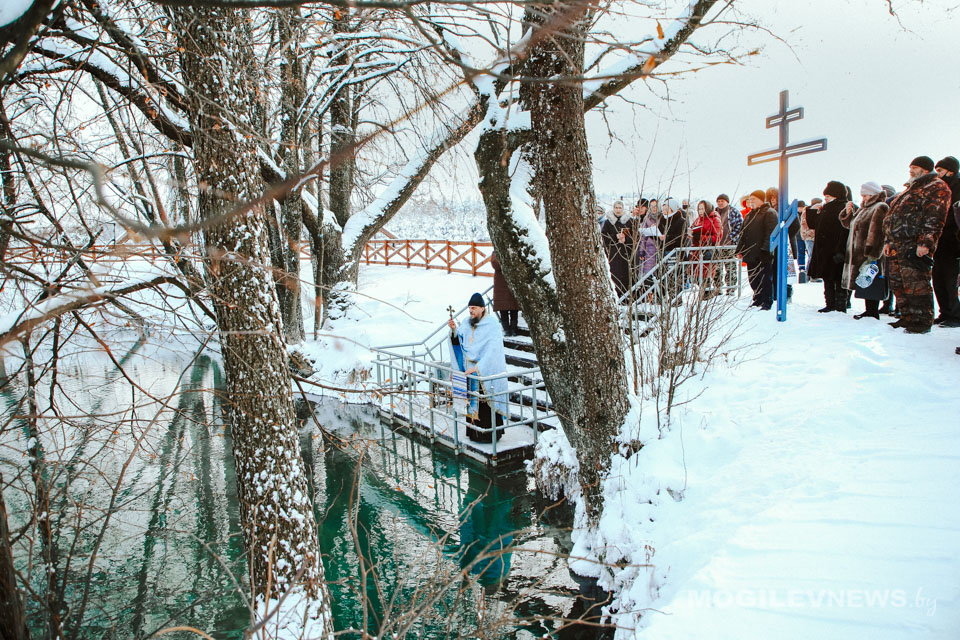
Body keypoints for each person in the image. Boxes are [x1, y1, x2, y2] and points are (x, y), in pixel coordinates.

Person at [882, 156, 952, 333]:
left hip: (915, 244)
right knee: (899, 283)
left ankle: (921, 321)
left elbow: (934, 217)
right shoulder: (910, 188)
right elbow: (893, 216)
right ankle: (907, 317)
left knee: (916, 283)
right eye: (910, 167)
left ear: (926, 170)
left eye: (915, 167)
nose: (911, 170)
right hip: (897, 244)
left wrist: (925, 242)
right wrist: (889, 240)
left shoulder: (936, 187)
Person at [448, 293, 509, 442]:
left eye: (474, 308)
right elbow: (460, 342)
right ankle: (474, 434)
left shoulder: (492, 324)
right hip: (470, 370)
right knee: (473, 402)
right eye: (469, 308)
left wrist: (479, 367)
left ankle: (490, 435)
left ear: (482, 308)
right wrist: (454, 331)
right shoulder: (466, 322)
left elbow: (493, 350)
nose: (471, 311)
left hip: (486, 370)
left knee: (487, 404)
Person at [839, 182, 889, 319]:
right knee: (864, 280)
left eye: (865, 195)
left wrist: (872, 254)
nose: (863, 198)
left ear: (873, 194)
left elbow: (877, 232)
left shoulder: (879, 207)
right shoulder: (864, 208)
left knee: (870, 279)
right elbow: (850, 225)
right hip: (859, 251)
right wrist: (848, 213)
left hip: (869, 252)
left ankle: (873, 311)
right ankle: (869, 310)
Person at [807, 181, 851, 313]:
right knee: (827, 278)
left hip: (836, 250)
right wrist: (813, 211)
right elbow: (813, 225)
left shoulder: (842, 207)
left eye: (828, 196)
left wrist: (841, 250)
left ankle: (840, 305)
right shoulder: (827, 208)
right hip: (824, 250)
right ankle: (830, 303)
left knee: (838, 279)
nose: (825, 198)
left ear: (836, 195)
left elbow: (845, 230)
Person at [735, 189, 777, 309]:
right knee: (753, 278)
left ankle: (767, 300)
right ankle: (757, 298)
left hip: (762, 253)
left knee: (765, 278)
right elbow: (743, 234)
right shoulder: (749, 215)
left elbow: (770, 233)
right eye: (750, 199)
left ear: (760, 200)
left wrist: (766, 250)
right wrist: (740, 250)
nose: (751, 202)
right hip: (750, 252)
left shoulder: (769, 213)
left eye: (753, 199)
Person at [932, 156, 960, 326]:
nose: (938, 174)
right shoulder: (940, 190)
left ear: (950, 171)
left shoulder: (957, 187)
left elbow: (953, 214)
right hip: (940, 242)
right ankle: (945, 311)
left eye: (940, 171)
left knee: (951, 281)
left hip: (954, 242)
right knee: (938, 278)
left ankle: (956, 315)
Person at [600, 201, 632, 297]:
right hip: (613, 254)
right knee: (615, 275)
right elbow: (604, 237)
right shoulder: (608, 222)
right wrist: (615, 237)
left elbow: (635, 237)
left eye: (620, 207)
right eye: (616, 207)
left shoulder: (629, 221)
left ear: (623, 208)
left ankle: (628, 297)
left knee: (627, 275)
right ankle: (617, 296)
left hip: (627, 253)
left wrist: (626, 239)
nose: (618, 210)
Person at [713, 193, 743, 294]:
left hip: (729, 244)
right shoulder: (714, 212)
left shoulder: (733, 212)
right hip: (716, 245)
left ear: (727, 202)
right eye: (719, 201)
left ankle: (731, 287)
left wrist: (731, 237)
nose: (720, 203)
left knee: (730, 267)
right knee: (716, 268)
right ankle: (717, 287)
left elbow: (740, 226)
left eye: (722, 201)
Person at [689, 200, 722, 285]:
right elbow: (691, 228)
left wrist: (700, 237)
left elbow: (717, 237)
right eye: (699, 209)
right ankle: (704, 293)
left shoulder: (715, 219)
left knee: (705, 276)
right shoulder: (698, 220)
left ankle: (709, 293)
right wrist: (691, 234)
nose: (700, 211)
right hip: (697, 251)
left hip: (708, 251)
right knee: (697, 277)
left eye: (702, 209)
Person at [490, 253, 520, 336]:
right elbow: (496, 264)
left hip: (510, 284)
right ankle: (507, 330)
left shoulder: (500, 252)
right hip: (502, 285)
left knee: (513, 310)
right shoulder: (497, 252)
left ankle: (513, 330)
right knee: (504, 310)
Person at [635, 198, 662, 279]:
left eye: (656, 206)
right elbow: (643, 237)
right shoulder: (647, 219)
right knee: (648, 271)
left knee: (660, 271)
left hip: (660, 246)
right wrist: (641, 251)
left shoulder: (663, 218)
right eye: (652, 206)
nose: (654, 208)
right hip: (649, 248)